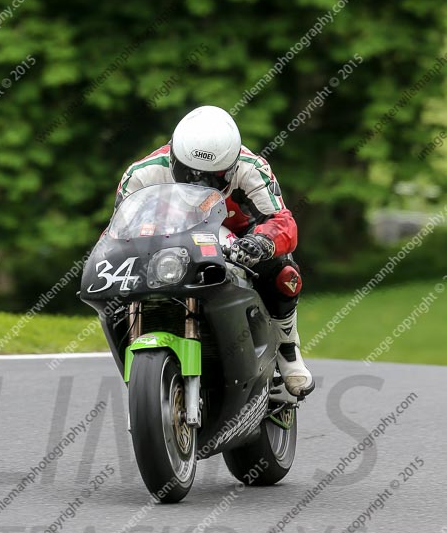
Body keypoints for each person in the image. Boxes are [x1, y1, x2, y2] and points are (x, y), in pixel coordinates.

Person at [115, 105, 314, 398]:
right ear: (173, 156)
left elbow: (281, 221)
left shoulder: (252, 169)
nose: (199, 185)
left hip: (240, 240)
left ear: (231, 167)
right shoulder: (143, 174)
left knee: (285, 272)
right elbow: (119, 229)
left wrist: (261, 242)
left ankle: (287, 347)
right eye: (188, 173)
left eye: (213, 178)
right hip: (167, 243)